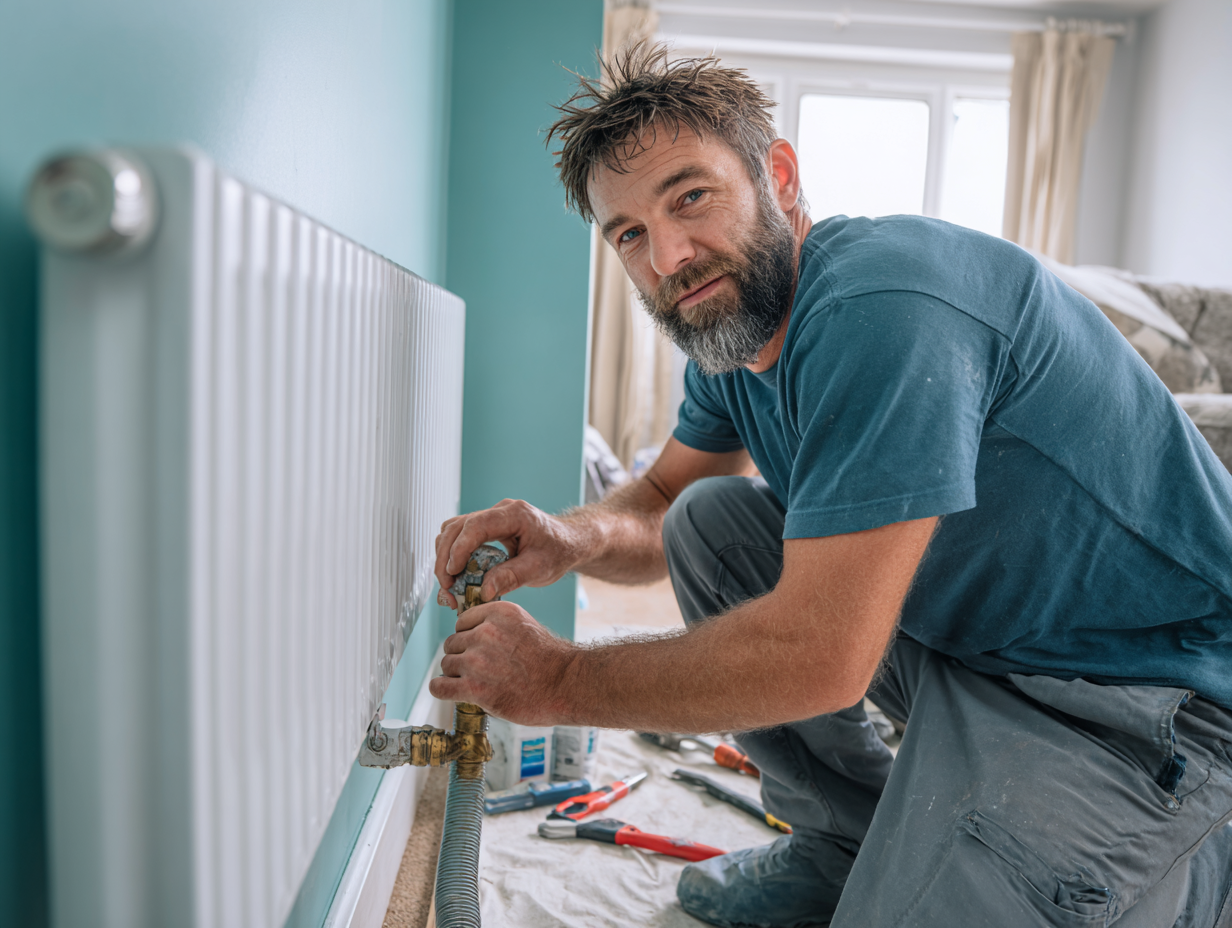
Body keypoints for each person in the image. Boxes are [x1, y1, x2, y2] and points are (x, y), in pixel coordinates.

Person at [430, 45, 1232, 928]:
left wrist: (561, 679)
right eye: (628, 234)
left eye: (689, 197)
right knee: (712, 521)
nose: (669, 256)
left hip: (1155, 708)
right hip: (984, 654)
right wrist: (570, 537)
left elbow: (819, 654)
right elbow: (660, 503)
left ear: (777, 175)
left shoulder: (883, 307)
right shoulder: (733, 335)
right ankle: (841, 839)